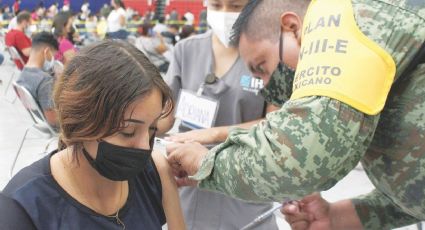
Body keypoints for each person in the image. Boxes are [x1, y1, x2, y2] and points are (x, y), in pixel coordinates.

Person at [167, 0, 425, 228]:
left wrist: (206, 163)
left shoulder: (337, 19)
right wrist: (338, 217)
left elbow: (301, 160)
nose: (268, 85)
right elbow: (415, 187)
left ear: (292, 27)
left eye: (262, 67)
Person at [3, 40, 185, 230]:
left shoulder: (155, 170)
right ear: (82, 123)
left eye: (152, 128)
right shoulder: (21, 209)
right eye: (127, 132)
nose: (145, 147)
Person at [159, 0, 279, 229]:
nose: (224, 14)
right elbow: (164, 116)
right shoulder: (186, 50)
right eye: (216, 5)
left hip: (244, 183)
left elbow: (276, 124)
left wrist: (211, 134)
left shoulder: (271, 55)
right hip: (189, 185)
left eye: (235, 7)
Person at [16, 32, 59, 127]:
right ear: (46, 51)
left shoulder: (23, 73)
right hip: (55, 125)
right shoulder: (44, 80)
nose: (53, 59)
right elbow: (53, 120)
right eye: (53, 55)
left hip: (39, 119)